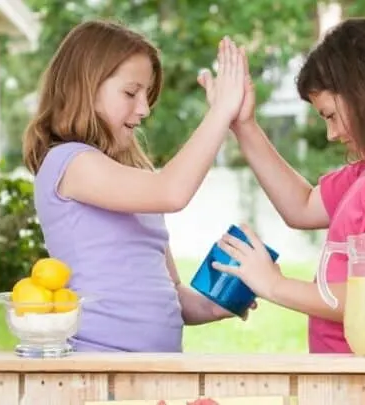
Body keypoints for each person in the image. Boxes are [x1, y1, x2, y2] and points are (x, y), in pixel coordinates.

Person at [198, 18, 365, 354]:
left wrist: (274, 284)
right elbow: (301, 206)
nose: (331, 134)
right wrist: (243, 125)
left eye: (330, 115)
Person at [22, 20, 251, 352]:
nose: (144, 109)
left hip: (151, 371)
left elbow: (173, 295)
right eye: (131, 92)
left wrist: (216, 304)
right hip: (97, 367)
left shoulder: (132, 183)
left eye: (147, 96)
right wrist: (220, 112)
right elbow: (172, 191)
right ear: (83, 87)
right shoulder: (68, 163)